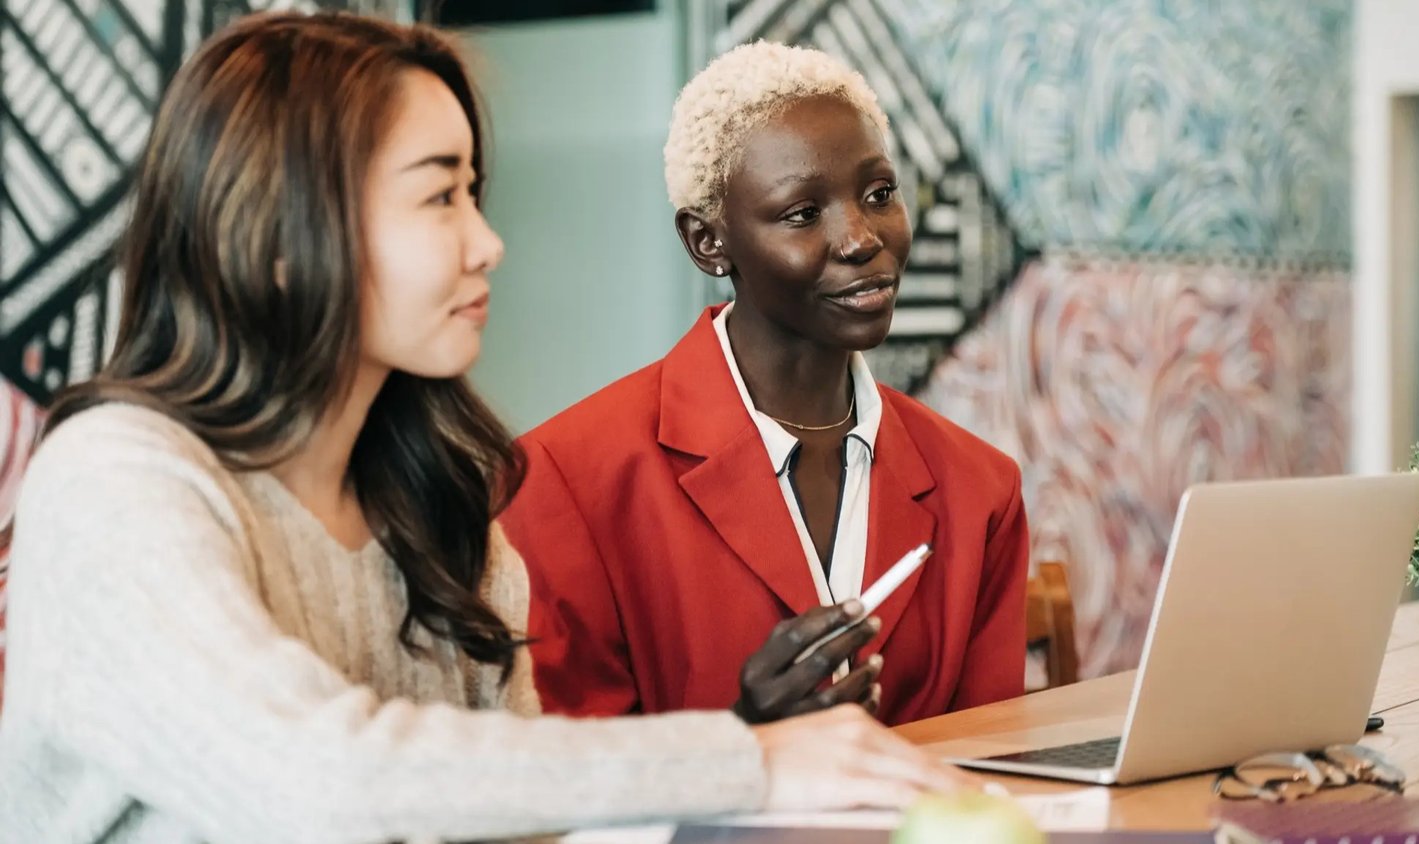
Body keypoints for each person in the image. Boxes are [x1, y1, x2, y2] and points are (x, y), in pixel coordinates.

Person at [0, 14, 975, 843]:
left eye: (474, 192)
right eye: (439, 196)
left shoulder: (435, 503)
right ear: (279, 232)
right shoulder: (113, 482)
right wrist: (746, 759)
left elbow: (515, 821)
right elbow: (318, 778)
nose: (488, 241)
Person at [500, 41, 1030, 728]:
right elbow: (561, 795)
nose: (861, 238)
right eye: (803, 213)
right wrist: (740, 739)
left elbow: (993, 775)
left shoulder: (979, 490)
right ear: (708, 243)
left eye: (879, 194)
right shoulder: (564, 480)